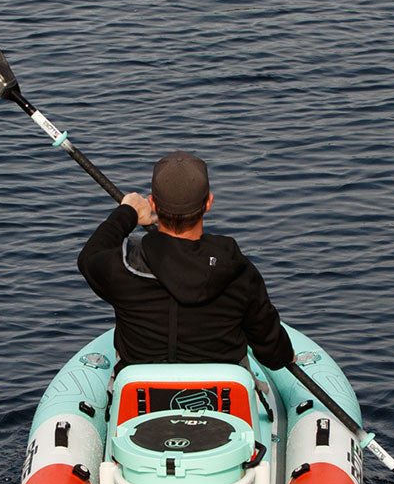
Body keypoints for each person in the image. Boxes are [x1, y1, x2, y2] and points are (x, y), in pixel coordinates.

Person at [77, 150, 294, 371]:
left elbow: (89, 256)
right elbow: (275, 356)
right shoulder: (239, 272)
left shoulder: (122, 268)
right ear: (208, 203)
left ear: (152, 204)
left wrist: (127, 212)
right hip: (222, 400)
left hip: (142, 399)